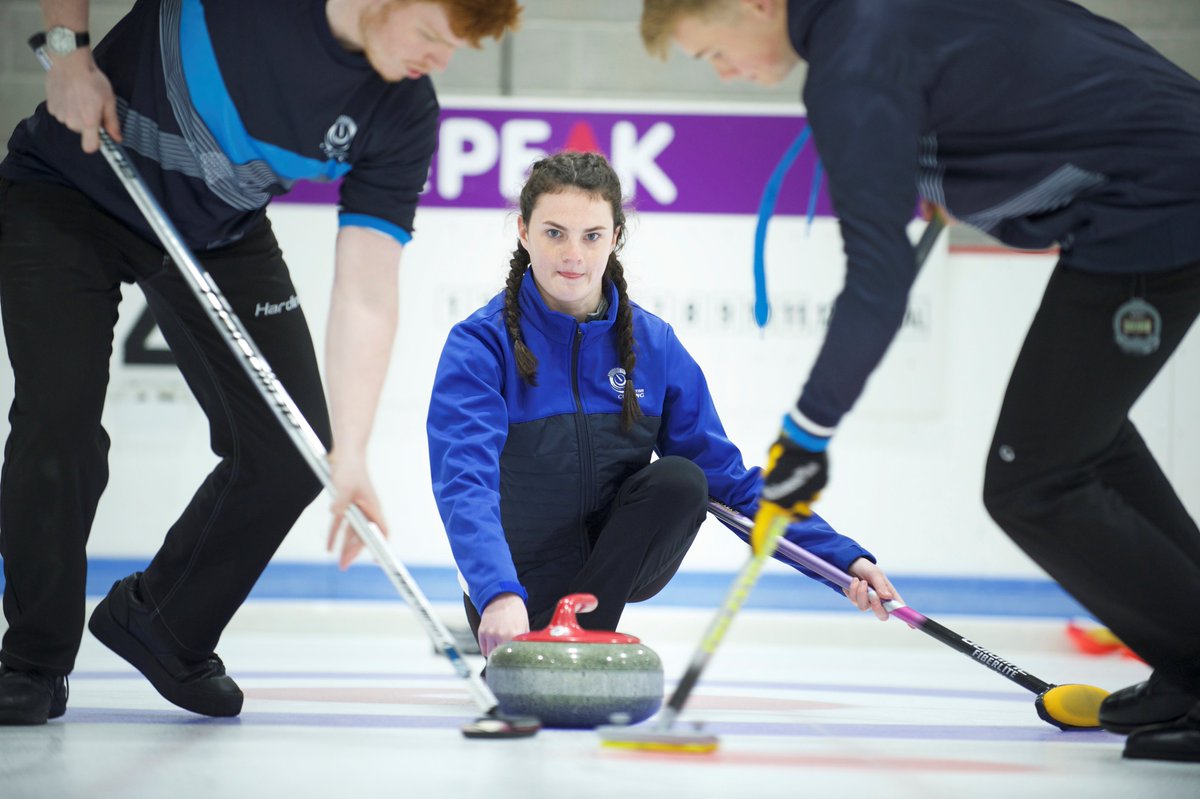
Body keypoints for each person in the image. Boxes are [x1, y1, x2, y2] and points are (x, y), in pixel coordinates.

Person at [639, 0, 1200, 762]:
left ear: (756, 5)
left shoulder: (853, 59)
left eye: (713, 52)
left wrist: (807, 432)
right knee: (1084, 447)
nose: (727, 73)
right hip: (1156, 183)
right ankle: (1186, 667)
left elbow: (878, 279)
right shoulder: (872, 23)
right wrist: (956, 164)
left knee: (1035, 480)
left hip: (1156, 198)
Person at [0, 0, 522, 725]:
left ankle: (163, 623)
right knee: (58, 419)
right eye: (432, 35)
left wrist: (353, 453)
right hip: (70, 186)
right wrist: (67, 52)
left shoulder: (402, 109)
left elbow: (367, 292)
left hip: (216, 228)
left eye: (454, 47)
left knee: (294, 451)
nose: (438, 60)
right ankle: (32, 660)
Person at [423, 150, 899, 657]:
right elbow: (465, 483)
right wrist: (497, 592)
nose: (573, 255)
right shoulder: (480, 345)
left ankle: (581, 639)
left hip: (609, 575)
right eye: (554, 233)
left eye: (592, 236)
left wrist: (841, 561)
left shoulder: (653, 345)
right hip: (516, 587)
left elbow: (729, 483)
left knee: (682, 480)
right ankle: (544, 645)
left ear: (615, 237)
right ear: (524, 231)